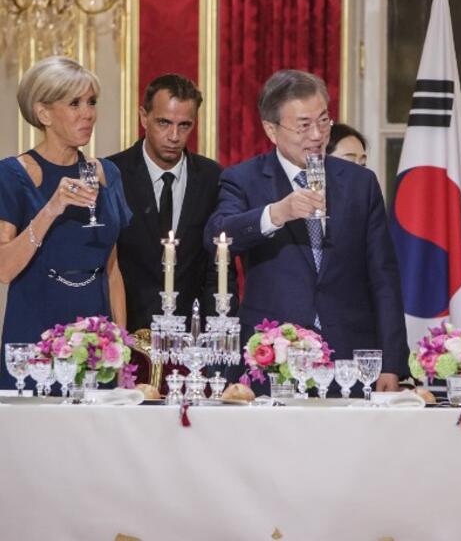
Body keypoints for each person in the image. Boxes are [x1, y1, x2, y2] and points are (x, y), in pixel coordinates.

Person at [204, 69, 407, 392]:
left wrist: (392, 363)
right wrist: (277, 213)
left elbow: (383, 276)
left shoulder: (359, 183)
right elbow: (217, 238)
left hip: (350, 359)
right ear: (271, 130)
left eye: (323, 121)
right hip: (273, 356)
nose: (317, 135)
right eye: (303, 125)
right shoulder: (244, 179)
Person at [0, 56, 131, 389]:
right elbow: (4, 269)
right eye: (74, 103)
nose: (88, 113)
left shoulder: (107, 174)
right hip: (35, 335)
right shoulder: (13, 175)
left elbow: (112, 269)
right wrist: (51, 208)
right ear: (43, 113)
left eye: (91, 102)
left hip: (96, 339)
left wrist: (120, 344)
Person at [108, 74, 236, 334]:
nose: (174, 136)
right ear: (144, 117)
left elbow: (219, 267)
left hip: (192, 337)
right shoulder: (112, 174)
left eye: (185, 125)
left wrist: (217, 336)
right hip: (124, 335)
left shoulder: (213, 178)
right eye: (164, 122)